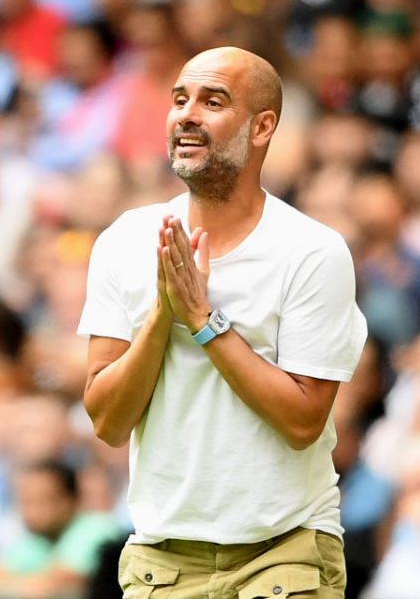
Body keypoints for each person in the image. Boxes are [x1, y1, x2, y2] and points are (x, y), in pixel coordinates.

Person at [78, 47, 367, 597]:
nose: (187, 115)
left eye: (213, 101)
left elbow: (305, 421)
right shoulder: (124, 241)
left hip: (284, 552)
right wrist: (164, 314)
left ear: (263, 127)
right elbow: (109, 422)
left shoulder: (312, 251)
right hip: (160, 561)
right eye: (180, 99)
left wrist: (204, 321)